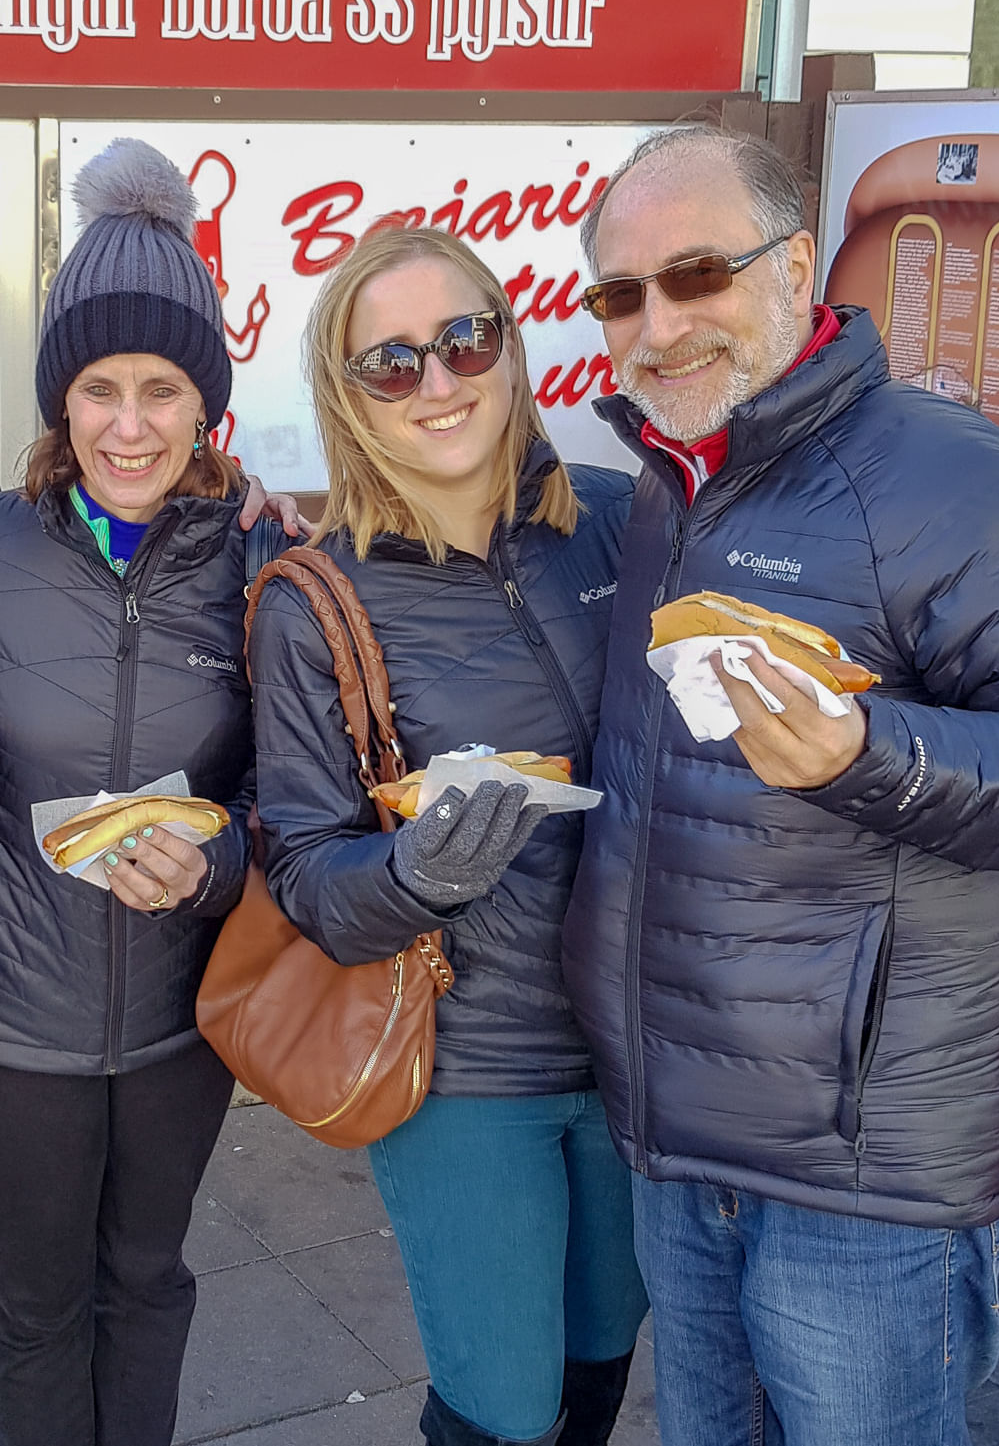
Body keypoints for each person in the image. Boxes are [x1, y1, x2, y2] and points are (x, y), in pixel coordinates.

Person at [564, 125, 999, 1446]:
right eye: (621, 293)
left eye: (695, 275)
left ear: (794, 268)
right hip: (681, 1146)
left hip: (864, 1180)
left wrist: (872, 758)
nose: (657, 324)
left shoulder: (950, 479)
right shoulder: (671, 489)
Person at [248, 226, 647, 1446]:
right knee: (502, 1408)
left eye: (465, 340)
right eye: (391, 362)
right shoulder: (315, 600)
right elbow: (312, 874)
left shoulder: (628, 525)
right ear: (344, 392)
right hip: (470, 1064)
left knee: (599, 1360)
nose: (438, 382)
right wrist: (415, 876)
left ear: (512, 349)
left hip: (647, 1044)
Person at [0, 139, 264, 1446]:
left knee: (149, 1279)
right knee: (38, 1293)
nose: (131, 424)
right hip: (9, 1016)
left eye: (163, 388)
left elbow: (299, 799)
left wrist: (220, 859)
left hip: (186, 1013)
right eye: (100, 387)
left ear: (206, 401)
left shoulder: (260, 563)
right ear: (61, 399)